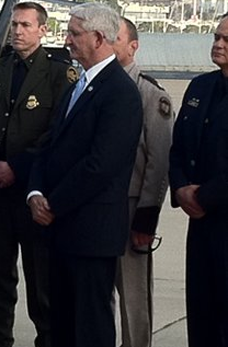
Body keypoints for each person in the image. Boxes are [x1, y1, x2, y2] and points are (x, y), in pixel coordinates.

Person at [26, 3, 142, 347]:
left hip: (91, 231)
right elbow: (47, 147)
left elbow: (101, 165)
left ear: (98, 37)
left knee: (89, 327)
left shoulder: (120, 93)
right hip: (62, 229)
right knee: (62, 323)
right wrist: (34, 193)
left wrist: (53, 204)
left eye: (75, 34)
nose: (67, 41)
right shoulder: (77, 85)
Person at [0, 2, 74, 347]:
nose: (17, 31)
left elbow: (55, 132)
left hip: (32, 190)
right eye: (14, 25)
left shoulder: (58, 74)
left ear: (43, 30)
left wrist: (17, 167)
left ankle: (46, 338)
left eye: (25, 25)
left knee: (40, 277)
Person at [112, 17, 173, 347]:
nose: (108, 40)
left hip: (133, 205)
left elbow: (159, 160)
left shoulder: (151, 95)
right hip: (99, 207)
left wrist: (147, 216)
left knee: (133, 295)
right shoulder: (91, 87)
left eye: (116, 37)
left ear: (133, 46)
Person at [169, 13, 228, 347]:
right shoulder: (200, 87)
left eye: (226, 40)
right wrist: (180, 189)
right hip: (200, 223)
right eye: (216, 37)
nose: (218, 44)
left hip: (219, 213)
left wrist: (203, 196)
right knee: (202, 313)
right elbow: (178, 148)